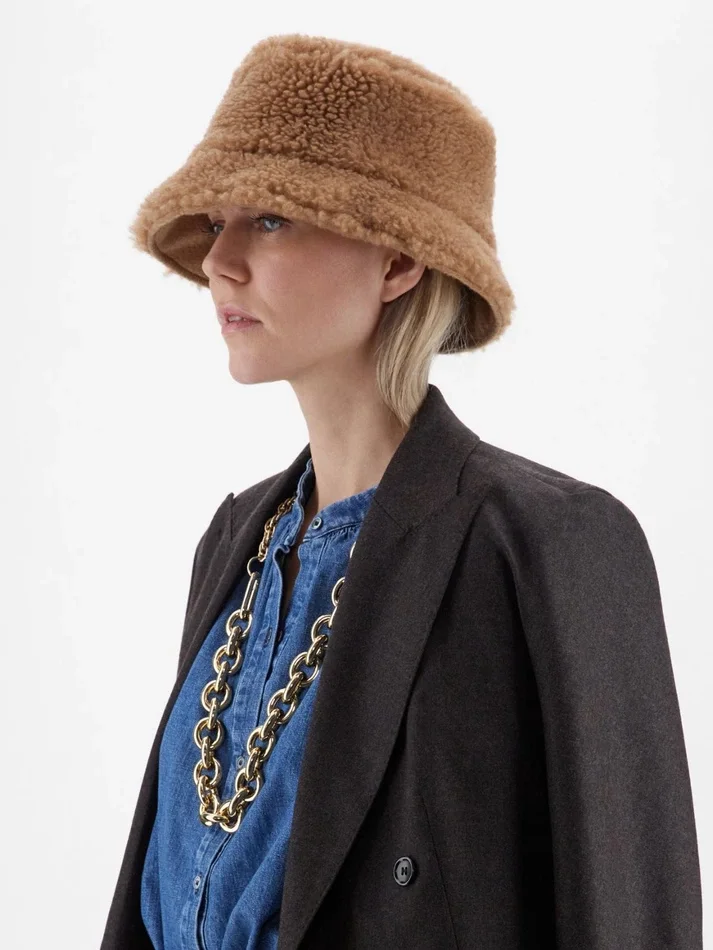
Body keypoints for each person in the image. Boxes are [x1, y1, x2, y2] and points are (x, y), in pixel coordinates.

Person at [100, 34, 702, 950]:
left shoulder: (545, 541)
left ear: (397, 264)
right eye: (217, 222)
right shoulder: (236, 540)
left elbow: (628, 914)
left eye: (271, 220)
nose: (219, 260)